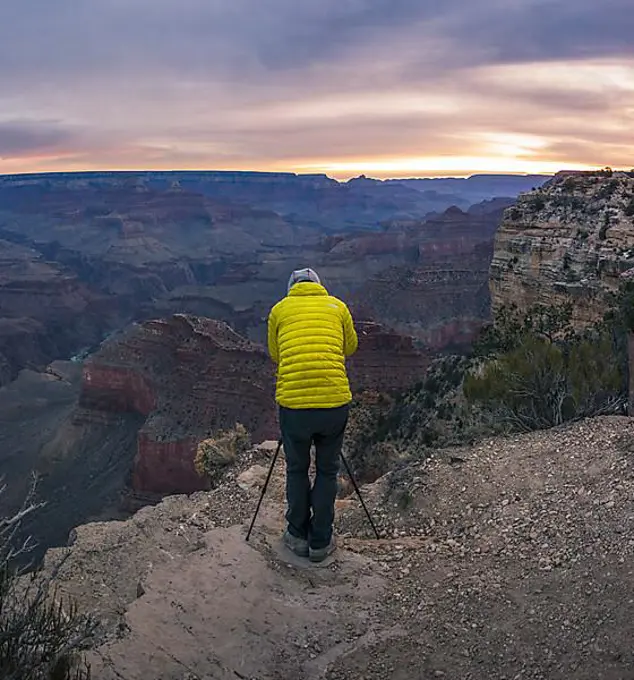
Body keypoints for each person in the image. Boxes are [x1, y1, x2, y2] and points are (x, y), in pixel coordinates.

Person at [267, 267, 358, 562]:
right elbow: (350, 347)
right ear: (320, 285)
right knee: (328, 470)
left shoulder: (279, 310)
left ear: (291, 288)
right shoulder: (338, 306)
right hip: (333, 404)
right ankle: (320, 541)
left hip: (294, 406)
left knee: (297, 469)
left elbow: (275, 354)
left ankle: (296, 535)